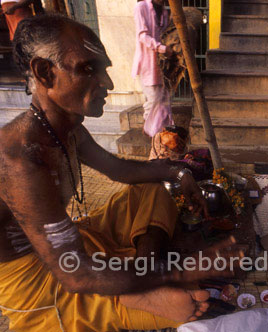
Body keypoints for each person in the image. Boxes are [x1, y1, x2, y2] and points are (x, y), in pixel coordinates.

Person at [0, 15, 242, 331]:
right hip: (40, 281)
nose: (108, 84)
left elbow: (122, 170)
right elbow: (75, 275)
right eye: (89, 69)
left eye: (105, 69)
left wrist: (179, 173)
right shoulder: (19, 159)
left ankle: (140, 275)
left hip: (72, 245)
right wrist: (181, 272)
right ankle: (137, 289)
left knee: (151, 190)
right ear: (45, 72)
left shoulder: (68, 129)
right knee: (185, 302)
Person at [132, 0, 175, 137]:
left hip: (161, 64)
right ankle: (150, 133)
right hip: (147, 63)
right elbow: (142, 36)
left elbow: (165, 35)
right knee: (153, 100)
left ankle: (161, 134)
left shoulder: (163, 11)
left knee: (164, 100)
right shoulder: (141, 7)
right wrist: (162, 48)